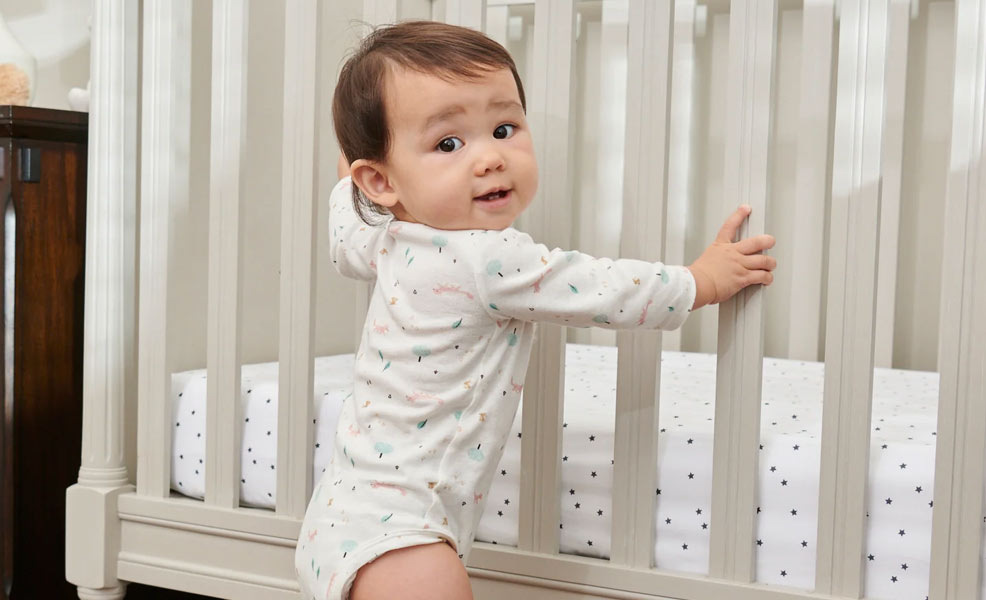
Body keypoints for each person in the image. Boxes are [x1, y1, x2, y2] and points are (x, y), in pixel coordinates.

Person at [296, 20, 776, 600]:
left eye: (504, 128)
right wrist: (697, 281)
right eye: (449, 143)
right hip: (407, 535)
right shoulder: (488, 258)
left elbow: (344, 225)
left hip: (343, 513)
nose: (490, 158)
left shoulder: (387, 239)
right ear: (383, 180)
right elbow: (599, 287)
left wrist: (351, 175)